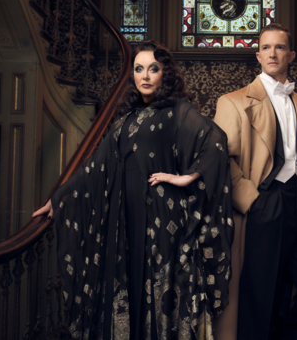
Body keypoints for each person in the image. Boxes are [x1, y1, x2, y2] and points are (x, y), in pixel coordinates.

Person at [33, 40, 234, 340]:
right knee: (128, 286)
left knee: (158, 289)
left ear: (166, 73)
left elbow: (215, 139)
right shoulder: (124, 120)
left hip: (161, 217)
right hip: (123, 215)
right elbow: (95, 166)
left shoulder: (178, 110)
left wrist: (187, 177)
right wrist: (59, 198)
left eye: (153, 69)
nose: (145, 76)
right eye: (139, 69)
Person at [213, 23, 297, 340]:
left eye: (280, 47)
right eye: (267, 47)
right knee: (259, 296)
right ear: (258, 55)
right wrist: (252, 200)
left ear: (291, 55)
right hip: (263, 204)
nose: (273, 53)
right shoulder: (232, 102)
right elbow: (219, 160)